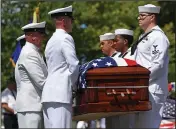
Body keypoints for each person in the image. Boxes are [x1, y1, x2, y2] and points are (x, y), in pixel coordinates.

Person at [131, 4, 170, 128]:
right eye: (139, 15)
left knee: (148, 126)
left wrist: (140, 81)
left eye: (142, 15)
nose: (139, 18)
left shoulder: (158, 37)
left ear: (152, 17)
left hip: (152, 89)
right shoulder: (144, 36)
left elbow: (158, 64)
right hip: (143, 88)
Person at [42, 5, 80, 128]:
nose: (72, 23)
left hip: (48, 94)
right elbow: (73, 65)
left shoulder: (51, 40)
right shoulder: (65, 38)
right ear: (64, 21)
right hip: (61, 94)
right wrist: (75, 87)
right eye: (71, 20)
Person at [15, 21, 48, 128]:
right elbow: (41, 81)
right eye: (41, 35)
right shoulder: (30, 53)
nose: (43, 38)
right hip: (31, 107)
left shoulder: (32, 52)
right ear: (32, 36)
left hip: (30, 106)